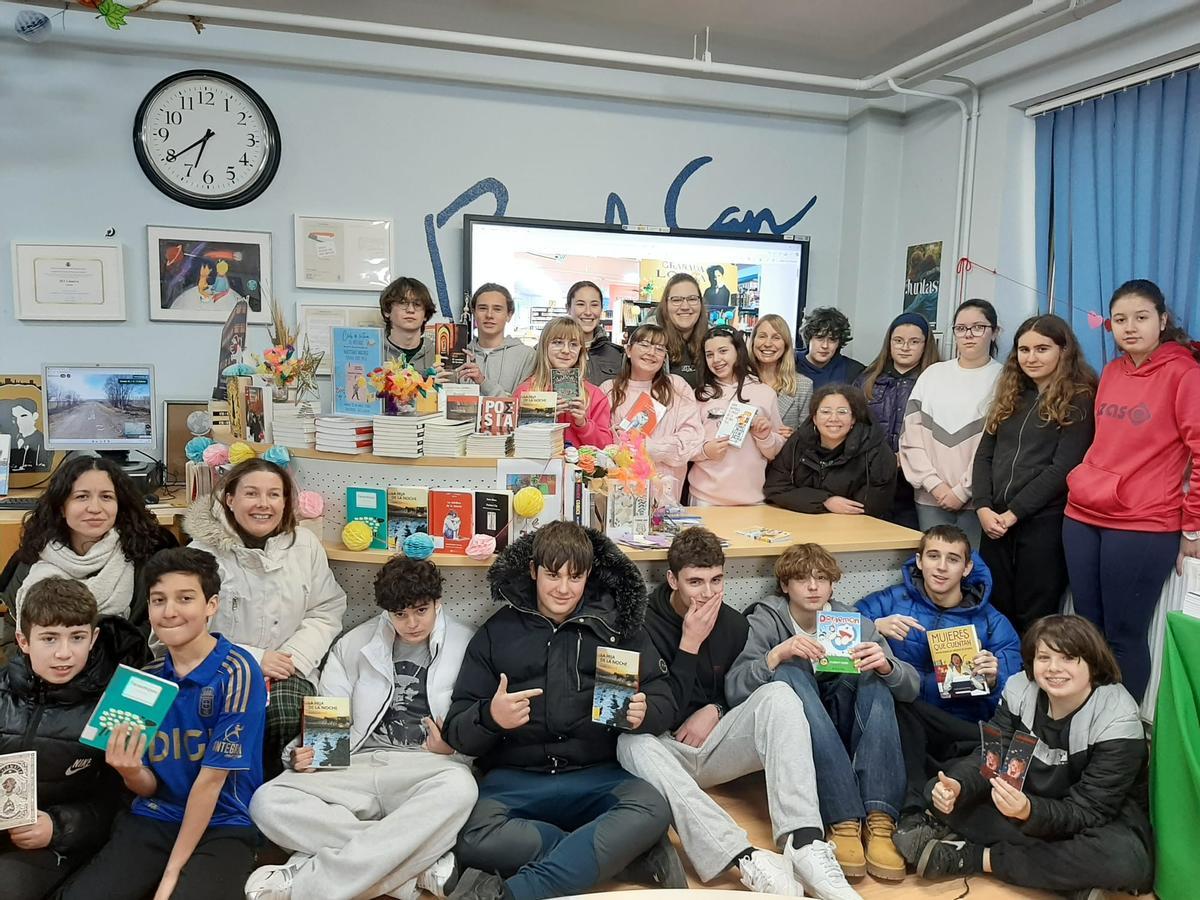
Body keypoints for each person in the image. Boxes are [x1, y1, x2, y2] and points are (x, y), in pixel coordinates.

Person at [617, 529, 861, 900]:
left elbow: (734, 688)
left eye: (716, 580)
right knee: (628, 743)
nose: (708, 593)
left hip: (714, 744)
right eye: (695, 582)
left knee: (779, 693)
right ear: (672, 580)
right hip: (663, 748)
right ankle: (744, 857)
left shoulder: (733, 623)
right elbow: (652, 713)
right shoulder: (641, 624)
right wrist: (690, 644)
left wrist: (715, 708)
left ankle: (805, 841)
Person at [443, 522, 680, 900]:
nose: (563, 589)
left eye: (576, 577)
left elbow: (664, 698)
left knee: (653, 807)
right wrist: (491, 717)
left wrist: (645, 712)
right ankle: (620, 857)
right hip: (514, 780)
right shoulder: (496, 632)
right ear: (534, 571)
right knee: (469, 839)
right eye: (553, 575)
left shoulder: (618, 628)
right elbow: (455, 730)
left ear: (589, 576)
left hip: (596, 776)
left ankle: (514, 893)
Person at [246, 556, 477, 900]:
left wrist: (455, 749)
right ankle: (413, 871)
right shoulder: (353, 644)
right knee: (267, 802)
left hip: (426, 767)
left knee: (461, 788)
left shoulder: (467, 644)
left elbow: (479, 723)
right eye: (400, 614)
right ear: (386, 611)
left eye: (420, 611)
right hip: (355, 762)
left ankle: (306, 883)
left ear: (437, 602)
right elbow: (329, 721)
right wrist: (302, 754)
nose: (412, 623)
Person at [57, 547, 267, 900]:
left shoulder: (238, 671)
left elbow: (210, 783)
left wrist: (170, 875)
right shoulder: (146, 679)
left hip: (223, 822)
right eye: (158, 600)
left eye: (185, 598)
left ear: (210, 605)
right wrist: (129, 771)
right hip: (155, 817)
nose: (169, 612)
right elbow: (149, 787)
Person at [905, 616, 1154, 898]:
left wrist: (1028, 811)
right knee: (939, 793)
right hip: (1029, 804)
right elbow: (992, 758)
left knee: (1124, 861)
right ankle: (1065, 877)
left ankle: (976, 858)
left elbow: (1090, 811)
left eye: (1069, 658)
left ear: (1093, 664)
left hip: (1093, 821)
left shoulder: (1117, 718)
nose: (1054, 669)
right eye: (1043, 657)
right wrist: (957, 785)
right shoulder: (1020, 688)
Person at [728, 543, 918, 883]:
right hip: (801, 733)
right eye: (802, 579)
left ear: (833, 584)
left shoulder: (854, 622)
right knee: (789, 672)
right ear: (785, 586)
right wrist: (776, 656)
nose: (813, 587)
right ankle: (843, 819)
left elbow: (911, 689)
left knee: (875, 678)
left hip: (847, 721)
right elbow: (734, 688)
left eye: (821, 578)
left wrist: (887, 666)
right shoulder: (767, 618)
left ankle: (880, 818)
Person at [1063, 278, 1200, 704]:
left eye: (1141, 318)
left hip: (1142, 524)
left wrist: (1192, 529)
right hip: (1083, 515)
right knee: (1086, 628)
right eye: (1120, 319)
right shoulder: (1112, 371)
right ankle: (1081, 723)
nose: (1130, 327)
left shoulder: (1186, 373)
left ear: (1162, 320)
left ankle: (1117, 739)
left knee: (1124, 635)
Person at [184, 459, 346, 771]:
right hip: (220, 670)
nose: (263, 504)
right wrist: (254, 659)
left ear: (286, 502)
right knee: (224, 724)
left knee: (290, 724)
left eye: (274, 495)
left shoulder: (305, 545)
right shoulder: (200, 553)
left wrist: (291, 658)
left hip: (289, 667)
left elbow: (326, 609)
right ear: (230, 500)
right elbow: (182, 631)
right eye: (251, 494)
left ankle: (282, 799)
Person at [855, 525, 1021, 830]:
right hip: (905, 723)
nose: (941, 567)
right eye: (933, 556)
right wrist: (874, 626)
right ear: (919, 561)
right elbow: (838, 633)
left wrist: (996, 679)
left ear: (967, 567)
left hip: (964, 728)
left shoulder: (993, 622)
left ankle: (932, 814)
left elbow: (1015, 704)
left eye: (953, 559)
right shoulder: (892, 600)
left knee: (998, 751)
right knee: (899, 703)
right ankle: (912, 814)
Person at [0, 578, 150, 899]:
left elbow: (121, 803)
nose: (64, 653)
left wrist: (57, 826)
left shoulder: (119, 704)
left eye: (77, 637)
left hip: (59, 844)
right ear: (23, 641)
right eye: (49, 638)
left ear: (93, 638)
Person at [973, 314, 1097, 635]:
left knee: (1035, 616)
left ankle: (1033, 681)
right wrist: (983, 506)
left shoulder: (1079, 398)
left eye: (1042, 349)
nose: (1031, 357)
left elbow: (1063, 468)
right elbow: (984, 454)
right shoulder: (1011, 393)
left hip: (1043, 522)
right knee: (994, 611)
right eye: (1024, 349)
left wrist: (1014, 513)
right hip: (995, 521)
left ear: (1063, 351)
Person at [0, 455, 177, 659]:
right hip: (44, 679)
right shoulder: (31, 560)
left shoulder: (146, 558)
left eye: (106, 497)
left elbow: (154, 636)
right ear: (62, 507)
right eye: (81, 496)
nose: (95, 508)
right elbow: (13, 636)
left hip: (121, 676)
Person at [900, 299, 1003, 546]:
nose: (969, 335)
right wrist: (934, 484)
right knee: (935, 564)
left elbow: (1000, 447)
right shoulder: (933, 374)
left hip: (979, 501)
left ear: (995, 332)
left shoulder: (1005, 378)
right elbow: (910, 437)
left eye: (978, 327)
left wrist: (963, 490)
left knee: (972, 569)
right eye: (961, 328)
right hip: (930, 497)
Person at [600, 323, 704, 504]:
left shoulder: (677, 387)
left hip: (667, 494)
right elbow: (601, 442)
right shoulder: (609, 389)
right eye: (644, 344)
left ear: (665, 357)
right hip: (621, 493)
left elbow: (692, 438)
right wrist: (620, 444)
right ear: (629, 349)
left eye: (659, 348)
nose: (651, 352)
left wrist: (652, 448)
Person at [854, 312, 940, 528]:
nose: (905, 347)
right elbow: (853, 428)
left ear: (925, 345)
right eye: (898, 341)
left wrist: (907, 456)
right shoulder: (867, 380)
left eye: (914, 342)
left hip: (917, 483)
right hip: (869, 478)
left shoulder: (936, 381)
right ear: (889, 343)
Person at [764, 384, 896, 517]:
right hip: (803, 522)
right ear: (814, 418)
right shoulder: (798, 442)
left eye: (842, 412)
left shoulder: (876, 450)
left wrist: (805, 499)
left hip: (855, 527)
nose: (833, 419)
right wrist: (825, 501)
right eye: (826, 412)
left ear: (853, 419)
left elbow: (868, 506)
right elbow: (775, 488)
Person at [689, 326, 785, 506]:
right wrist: (705, 450)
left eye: (723, 351)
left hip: (753, 498)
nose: (716, 359)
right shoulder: (699, 396)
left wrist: (765, 437)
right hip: (705, 498)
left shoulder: (764, 393)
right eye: (709, 354)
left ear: (738, 352)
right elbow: (685, 444)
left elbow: (776, 450)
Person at [513, 316, 614, 448]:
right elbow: (512, 441)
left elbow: (606, 446)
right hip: (536, 467)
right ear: (544, 346)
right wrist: (543, 417)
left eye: (573, 344)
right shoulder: (525, 392)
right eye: (558, 342)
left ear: (581, 350)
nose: (566, 350)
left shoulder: (595, 395)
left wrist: (583, 424)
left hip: (581, 467)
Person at [456, 283, 537, 396]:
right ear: (474, 313)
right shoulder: (459, 354)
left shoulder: (528, 356)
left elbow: (524, 407)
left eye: (497, 309)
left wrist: (483, 382)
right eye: (483, 308)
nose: (489, 315)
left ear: (509, 315)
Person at [750, 313, 814, 437]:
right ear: (753, 341)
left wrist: (795, 437)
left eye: (776, 337)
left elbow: (808, 436)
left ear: (786, 345)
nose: (768, 343)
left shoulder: (804, 386)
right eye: (762, 336)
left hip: (783, 454)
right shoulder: (739, 380)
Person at [654, 273, 708, 388]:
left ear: (701, 303)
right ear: (666, 304)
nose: (685, 306)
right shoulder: (650, 344)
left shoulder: (713, 341)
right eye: (676, 300)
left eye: (692, 299)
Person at [567, 280, 624, 386]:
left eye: (594, 305)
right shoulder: (546, 351)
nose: (588, 312)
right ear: (568, 308)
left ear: (601, 309)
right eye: (580, 304)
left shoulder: (617, 355)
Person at [380, 275, 440, 373]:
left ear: (425, 314)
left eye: (417, 304)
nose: (410, 310)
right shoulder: (372, 353)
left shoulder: (439, 355)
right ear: (387, 311)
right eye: (403, 303)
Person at [795, 308, 865, 390]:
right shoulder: (791, 362)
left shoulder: (853, 370)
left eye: (832, 340)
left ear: (839, 342)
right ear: (809, 338)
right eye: (819, 338)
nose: (825, 346)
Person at [9, 402, 46, 472]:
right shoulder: (10, 440)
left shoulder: (42, 440)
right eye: (14, 418)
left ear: (35, 416)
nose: (18, 422)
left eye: (23, 416)